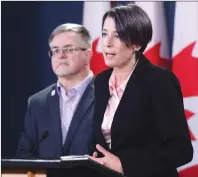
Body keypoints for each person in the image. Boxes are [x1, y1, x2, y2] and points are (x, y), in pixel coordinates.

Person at [89, 4, 193, 177]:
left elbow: (181, 150)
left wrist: (125, 165)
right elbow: (107, 140)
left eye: (118, 36)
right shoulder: (100, 81)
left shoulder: (159, 81)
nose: (107, 43)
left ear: (136, 43)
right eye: (105, 34)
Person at [17, 23, 95, 158]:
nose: (61, 55)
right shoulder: (37, 103)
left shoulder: (108, 94)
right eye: (55, 50)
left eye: (69, 49)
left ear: (87, 55)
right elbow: (24, 156)